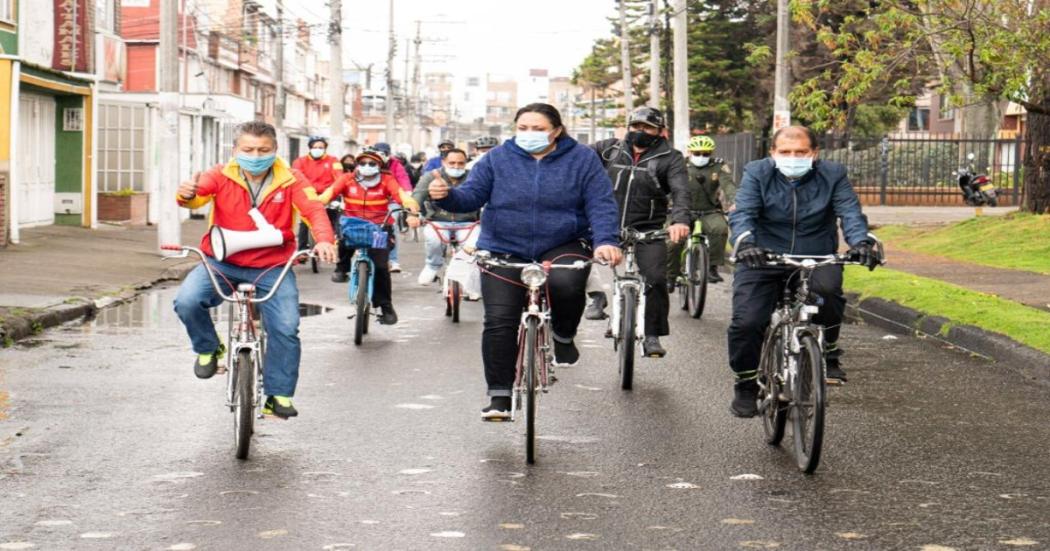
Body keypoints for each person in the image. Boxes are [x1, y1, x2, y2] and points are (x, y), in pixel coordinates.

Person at [429, 103, 623, 420]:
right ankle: (500, 396)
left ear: (557, 130)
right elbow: (470, 197)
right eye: (523, 128)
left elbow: (600, 203)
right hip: (503, 245)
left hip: (564, 242)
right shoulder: (497, 158)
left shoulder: (582, 159)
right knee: (499, 321)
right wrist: (445, 196)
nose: (529, 134)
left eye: (538, 128)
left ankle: (562, 335)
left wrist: (606, 241)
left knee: (566, 282)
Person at [173, 121, 338, 419]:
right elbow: (197, 196)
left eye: (263, 150)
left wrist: (325, 240)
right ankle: (209, 348)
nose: (255, 155)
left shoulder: (292, 179)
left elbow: (314, 211)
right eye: (248, 149)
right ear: (235, 150)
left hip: (272, 266)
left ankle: (278, 395)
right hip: (221, 262)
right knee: (186, 300)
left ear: (275, 150)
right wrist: (186, 194)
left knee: (286, 327)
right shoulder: (220, 174)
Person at [727, 125, 880, 418]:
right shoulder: (757, 172)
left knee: (827, 294)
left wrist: (860, 242)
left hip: (816, 253)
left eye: (801, 152)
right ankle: (746, 383)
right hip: (763, 255)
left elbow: (849, 212)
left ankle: (830, 350)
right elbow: (744, 212)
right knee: (747, 321)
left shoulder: (833, 174)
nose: (793, 157)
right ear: (772, 153)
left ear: (814, 153)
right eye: (785, 152)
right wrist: (746, 243)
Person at [585, 106, 691, 358]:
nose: (640, 131)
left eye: (648, 128)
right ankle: (597, 298)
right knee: (573, 264)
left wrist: (680, 220)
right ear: (628, 127)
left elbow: (680, 191)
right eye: (636, 126)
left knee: (655, 278)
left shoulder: (671, 157)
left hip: (648, 228)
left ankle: (652, 334)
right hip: (606, 225)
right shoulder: (608, 149)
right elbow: (574, 159)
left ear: (660, 131)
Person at [318, 147, 420, 325]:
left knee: (381, 267)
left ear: (379, 166)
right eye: (363, 163)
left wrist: (411, 208)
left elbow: (402, 196)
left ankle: (386, 307)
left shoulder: (387, 180)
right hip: (352, 225)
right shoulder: (347, 179)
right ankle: (341, 269)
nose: (367, 166)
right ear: (357, 165)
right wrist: (318, 204)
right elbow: (328, 194)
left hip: (379, 228)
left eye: (372, 163)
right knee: (342, 241)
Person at [667, 135, 737, 286]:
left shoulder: (718, 166)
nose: (701, 157)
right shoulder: (680, 165)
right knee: (673, 240)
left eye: (705, 154)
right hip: (683, 211)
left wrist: (735, 201)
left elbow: (728, 185)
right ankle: (671, 274)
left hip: (709, 210)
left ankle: (712, 267)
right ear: (690, 152)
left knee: (720, 228)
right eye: (697, 153)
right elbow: (669, 186)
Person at [408, 148, 479, 285]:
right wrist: (412, 214)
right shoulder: (431, 176)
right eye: (452, 163)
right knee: (432, 240)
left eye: (460, 163)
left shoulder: (474, 177)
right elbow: (417, 196)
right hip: (437, 221)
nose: (456, 167)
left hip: (468, 223)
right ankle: (432, 266)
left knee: (474, 248)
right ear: (443, 162)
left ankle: (470, 281)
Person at [291, 136, 342, 251]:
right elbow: (298, 178)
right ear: (310, 148)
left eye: (321, 147)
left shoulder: (333, 160)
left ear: (325, 148)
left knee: (334, 216)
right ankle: (302, 250)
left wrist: (331, 192)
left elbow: (339, 177)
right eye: (315, 147)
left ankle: (333, 242)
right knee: (305, 220)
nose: (318, 149)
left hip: (329, 195)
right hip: (309, 194)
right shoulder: (299, 161)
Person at [374, 142, 412, 273]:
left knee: (390, 226)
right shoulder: (367, 162)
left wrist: (407, 193)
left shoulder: (396, 164)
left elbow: (403, 179)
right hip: (370, 201)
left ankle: (393, 260)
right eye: (378, 152)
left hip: (391, 201)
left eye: (384, 153)